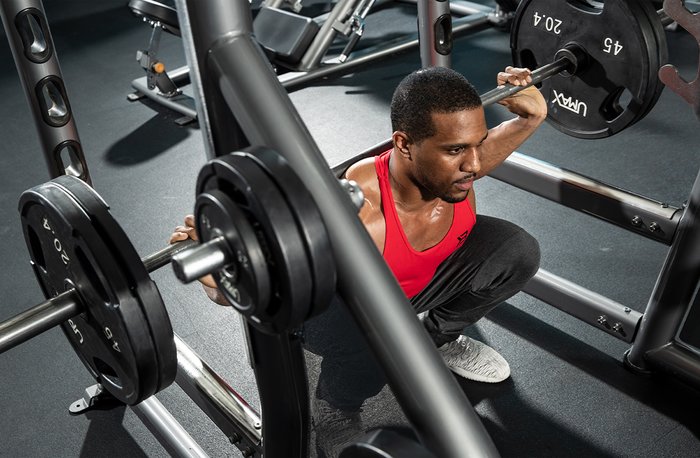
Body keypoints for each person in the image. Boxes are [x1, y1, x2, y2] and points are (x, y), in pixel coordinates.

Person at [171, 65, 546, 456]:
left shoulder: (452, 171)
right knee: (375, 329)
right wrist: (220, 280)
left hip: (411, 289)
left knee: (516, 250)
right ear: (404, 144)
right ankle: (335, 407)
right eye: (455, 150)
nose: (472, 164)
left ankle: (435, 338)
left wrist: (533, 115)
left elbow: (477, 156)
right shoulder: (359, 211)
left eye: (476, 144)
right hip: (342, 314)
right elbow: (270, 289)